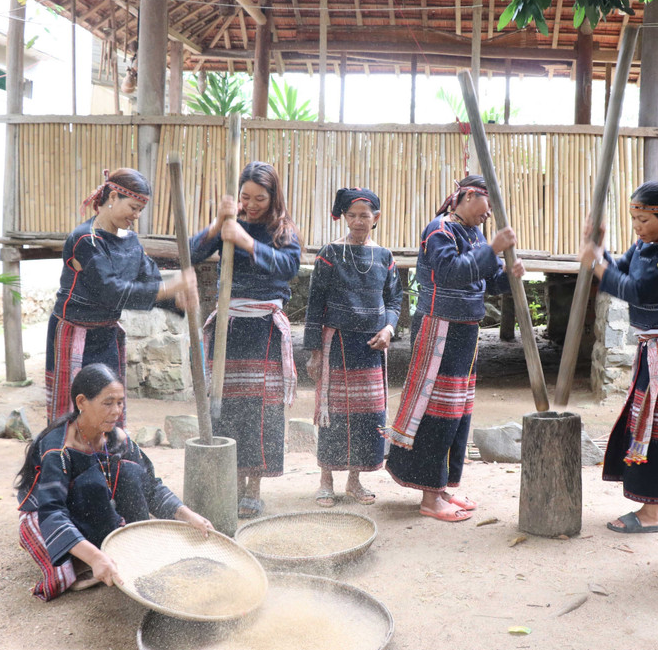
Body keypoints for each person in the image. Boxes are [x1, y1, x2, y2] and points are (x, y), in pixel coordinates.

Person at [386, 175, 524, 522]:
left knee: (458, 413)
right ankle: (429, 496)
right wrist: (492, 249)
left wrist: (510, 275)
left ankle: (442, 487)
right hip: (440, 328)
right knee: (437, 412)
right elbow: (451, 272)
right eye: (487, 204)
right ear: (469, 195)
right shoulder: (439, 230)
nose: (489, 213)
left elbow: (488, 281)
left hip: (465, 331)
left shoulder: (474, 234)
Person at [16, 363, 212, 602]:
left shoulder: (117, 438)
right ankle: (82, 559)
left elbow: (150, 486)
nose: (116, 411)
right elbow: (52, 512)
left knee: (129, 472)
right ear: (81, 402)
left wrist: (188, 515)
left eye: (120, 403)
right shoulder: (58, 449)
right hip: (47, 516)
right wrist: (95, 558)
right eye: (108, 403)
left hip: (91, 507)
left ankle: (115, 546)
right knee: (91, 487)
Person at [579, 181, 658, 534]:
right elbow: (620, 268)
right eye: (634, 220)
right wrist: (600, 251)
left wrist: (596, 266)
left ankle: (650, 512)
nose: (638, 227)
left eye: (644, 220)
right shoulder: (646, 246)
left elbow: (637, 290)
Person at [190, 161, 301, 519]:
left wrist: (246, 242)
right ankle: (232, 483)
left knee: (261, 410)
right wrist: (217, 227)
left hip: (264, 328)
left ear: (273, 197)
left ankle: (254, 487)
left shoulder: (283, 229)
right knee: (228, 407)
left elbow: (289, 267)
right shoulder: (228, 224)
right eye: (245, 197)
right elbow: (190, 253)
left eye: (259, 199)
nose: (251, 205)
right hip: (230, 326)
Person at [46, 168, 196, 425]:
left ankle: (109, 452)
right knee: (75, 411)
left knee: (109, 407)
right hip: (75, 335)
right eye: (133, 208)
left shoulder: (131, 241)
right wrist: (170, 287)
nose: (136, 216)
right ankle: (67, 450)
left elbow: (150, 281)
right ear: (113, 197)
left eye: (141, 210)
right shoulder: (85, 240)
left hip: (106, 336)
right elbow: (111, 292)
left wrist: (175, 301)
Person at [304, 188, 402, 508]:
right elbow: (315, 303)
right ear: (344, 217)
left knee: (366, 415)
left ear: (376, 217)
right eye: (352, 215)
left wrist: (388, 329)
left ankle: (355, 481)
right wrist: (314, 352)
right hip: (338, 344)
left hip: (371, 346)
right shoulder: (330, 253)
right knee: (333, 414)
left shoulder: (384, 256)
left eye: (365, 215)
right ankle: (326, 480)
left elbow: (394, 300)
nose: (358, 221)